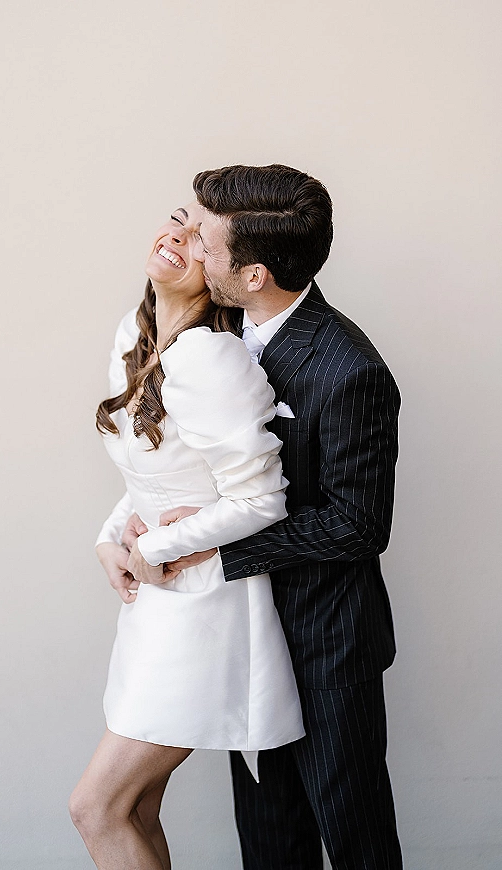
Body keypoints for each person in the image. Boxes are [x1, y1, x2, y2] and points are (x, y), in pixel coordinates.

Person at [125, 165, 403, 869]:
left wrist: (215, 552)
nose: (189, 246)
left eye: (206, 243)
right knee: (269, 841)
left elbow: (358, 526)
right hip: (244, 634)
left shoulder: (350, 371)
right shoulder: (213, 326)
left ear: (253, 275)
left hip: (325, 642)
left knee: (354, 838)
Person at [68, 201, 305, 870]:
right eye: (179, 219)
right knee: (136, 809)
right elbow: (154, 470)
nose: (178, 235)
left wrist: (153, 550)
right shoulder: (134, 334)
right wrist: (110, 541)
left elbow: (263, 499)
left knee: (96, 808)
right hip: (155, 605)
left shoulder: (208, 356)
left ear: (225, 275)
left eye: (199, 239)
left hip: (205, 610)